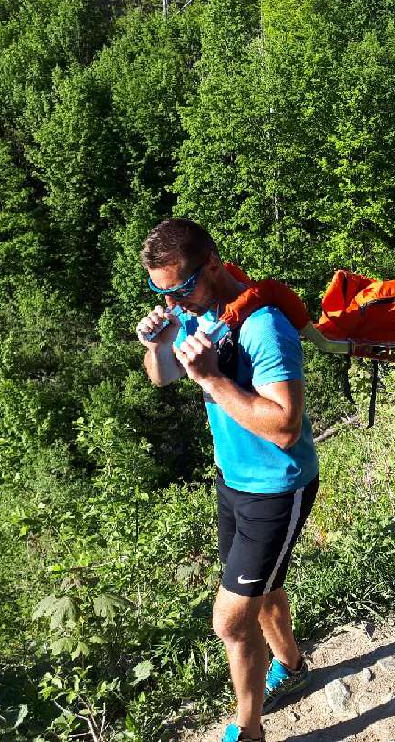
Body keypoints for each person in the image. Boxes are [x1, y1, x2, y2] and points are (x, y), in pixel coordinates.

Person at [136, 219, 318, 742]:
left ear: (213, 264)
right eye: (161, 291)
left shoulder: (264, 328)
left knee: (231, 622)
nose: (173, 301)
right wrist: (161, 343)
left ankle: (249, 729)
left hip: (276, 488)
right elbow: (163, 376)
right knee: (267, 585)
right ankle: (292, 665)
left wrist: (212, 377)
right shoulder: (198, 313)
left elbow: (285, 428)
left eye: (181, 288)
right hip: (233, 480)